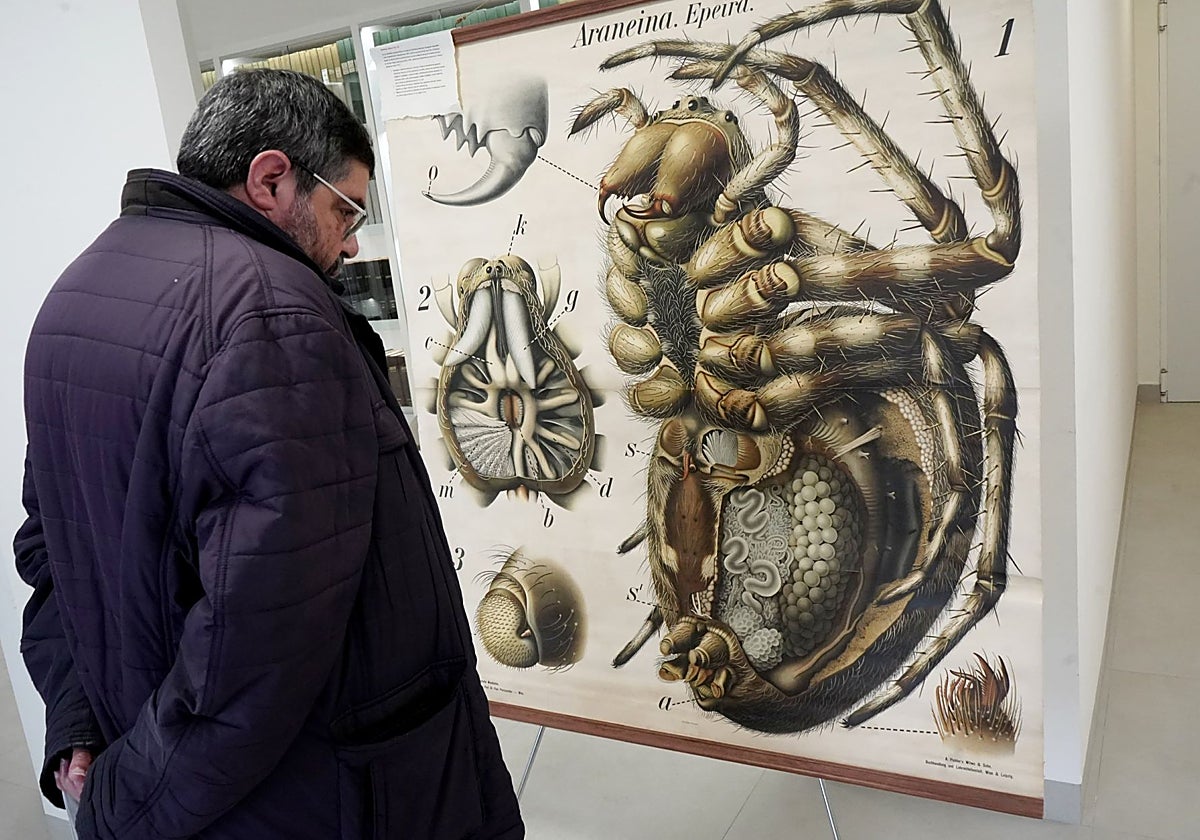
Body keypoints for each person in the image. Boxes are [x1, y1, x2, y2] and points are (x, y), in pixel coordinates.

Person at [14, 68, 524, 839]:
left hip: (195, 775)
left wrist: (79, 723)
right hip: (325, 793)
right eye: (345, 207)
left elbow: (51, 551)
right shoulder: (270, 313)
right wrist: (130, 806)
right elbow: (258, 640)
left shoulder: (75, 295)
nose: (353, 241)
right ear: (271, 179)